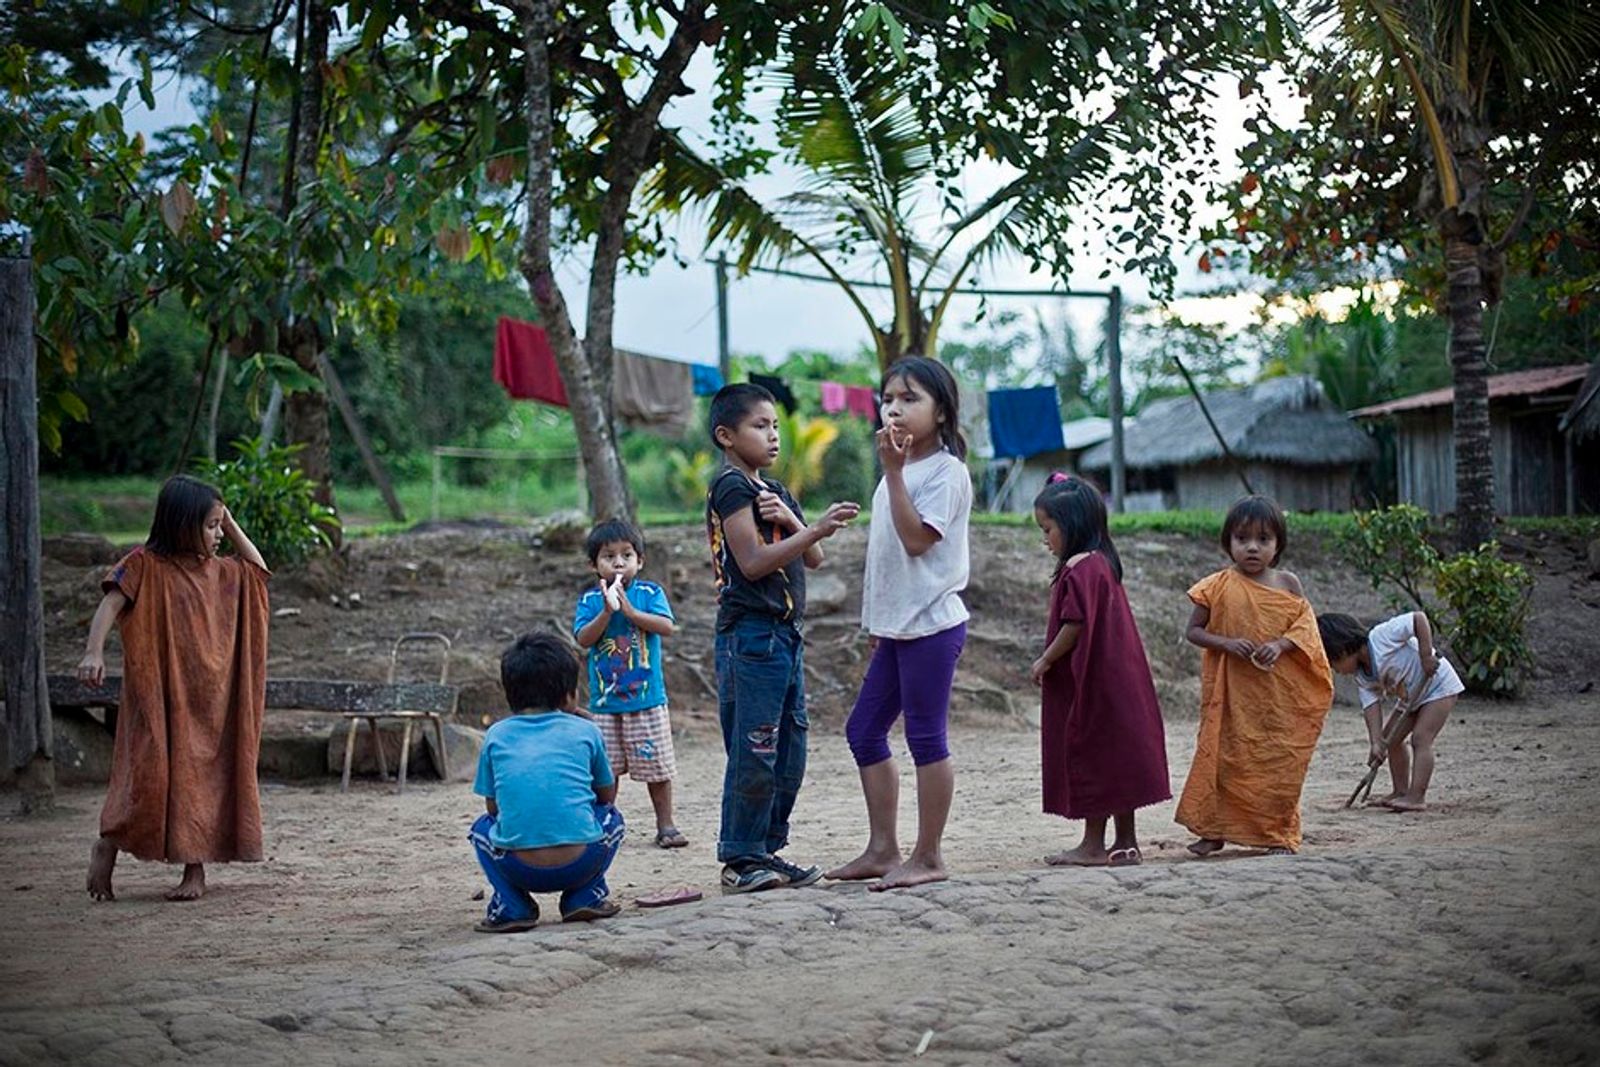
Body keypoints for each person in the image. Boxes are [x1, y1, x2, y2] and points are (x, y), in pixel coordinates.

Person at [76, 475, 271, 902]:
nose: (219, 535)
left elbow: (257, 571)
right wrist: (94, 652)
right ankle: (109, 842)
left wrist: (229, 519)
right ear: (181, 524)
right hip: (160, 697)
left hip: (211, 700)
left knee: (203, 779)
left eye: (221, 526)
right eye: (210, 526)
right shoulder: (145, 565)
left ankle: (194, 871)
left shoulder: (221, 572)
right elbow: (111, 602)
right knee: (150, 775)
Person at [704, 382, 860, 894]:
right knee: (756, 748)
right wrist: (812, 529)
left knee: (790, 750)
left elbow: (812, 560)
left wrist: (797, 521)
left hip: (786, 639)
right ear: (727, 436)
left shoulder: (773, 491)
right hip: (751, 639)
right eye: (760, 426)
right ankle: (741, 856)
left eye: (775, 426)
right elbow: (751, 562)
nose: (773, 436)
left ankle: (765, 850)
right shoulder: (732, 486)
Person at [826, 356, 972, 891]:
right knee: (864, 731)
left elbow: (916, 541)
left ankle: (928, 855)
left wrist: (890, 471)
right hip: (899, 628)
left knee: (926, 738)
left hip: (933, 624)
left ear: (940, 412)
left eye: (910, 399)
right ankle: (883, 849)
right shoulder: (903, 469)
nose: (895, 409)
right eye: (888, 399)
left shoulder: (946, 472)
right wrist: (880, 624)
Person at [1175, 495, 1334, 856]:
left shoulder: (1288, 584)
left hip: (1277, 698)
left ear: (1278, 545)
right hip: (1231, 696)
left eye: (1263, 540)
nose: (1252, 547)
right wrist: (1227, 643)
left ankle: (1276, 834)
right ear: (1228, 542)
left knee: (1277, 763)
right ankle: (1213, 831)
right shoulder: (1215, 586)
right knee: (1223, 759)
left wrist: (1279, 646)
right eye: (1242, 538)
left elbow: (1306, 628)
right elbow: (1194, 632)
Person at [1027, 474, 1170, 867]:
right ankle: (1126, 841)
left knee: (1092, 752)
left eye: (1048, 528)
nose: (1045, 538)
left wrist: (1046, 659)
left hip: (1095, 680)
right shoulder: (1101, 563)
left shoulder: (1080, 568)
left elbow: (1075, 625)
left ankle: (1093, 844)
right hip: (1117, 678)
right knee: (1115, 754)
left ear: (1071, 525)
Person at [468, 632, 625, 932]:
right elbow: (607, 797)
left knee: (481, 830)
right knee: (613, 820)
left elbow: (493, 808)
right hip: (581, 861)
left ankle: (512, 904)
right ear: (567, 695)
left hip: (519, 867)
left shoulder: (496, 735)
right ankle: (584, 894)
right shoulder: (587, 731)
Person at [573, 518, 686, 848]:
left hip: (646, 700)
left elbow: (666, 626)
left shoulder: (651, 593)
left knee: (657, 766)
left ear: (640, 560)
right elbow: (583, 638)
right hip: (606, 704)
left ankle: (666, 825)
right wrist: (607, 613)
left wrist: (632, 613)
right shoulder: (590, 601)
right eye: (609, 556)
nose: (619, 562)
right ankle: (605, 823)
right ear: (594, 564)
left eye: (627, 555)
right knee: (607, 771)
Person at [1317, 610, 1464, 811]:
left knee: (1421, 738)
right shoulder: (1362, 677)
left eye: (1334, 664)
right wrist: (1376, 743)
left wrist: (1426, 655)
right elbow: (1371, 707)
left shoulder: (1381, 637)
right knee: (1390, 740)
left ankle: (1416, 796)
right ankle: (1400, 791)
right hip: (1410, 700)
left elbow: (1418, 619)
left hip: (1437, 687)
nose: (1336, 671)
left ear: (1342, 649)